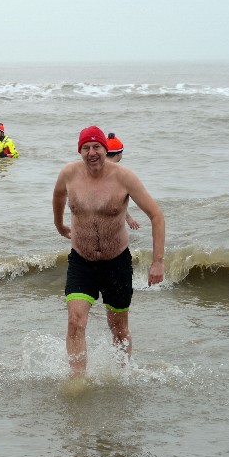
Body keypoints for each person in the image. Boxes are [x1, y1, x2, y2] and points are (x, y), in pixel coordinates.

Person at [52, 126, 165, 373]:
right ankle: (77, 380)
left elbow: (156, 215)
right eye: (86, 148)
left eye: (97, 147)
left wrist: (158, 262)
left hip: (117, 262)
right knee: (75, 321)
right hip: (81, 260)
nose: (92, 153)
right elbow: (58, 195)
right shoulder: (69, 174)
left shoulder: (124, 177)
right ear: (79, 150)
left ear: (105, 149)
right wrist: (59, 225)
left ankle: (122, 374)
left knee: (119, 328)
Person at [105, 133, 140, 231]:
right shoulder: (118, 173)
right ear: (119, 154)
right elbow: (114, 201)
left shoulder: (95, 169)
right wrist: (128, 218)